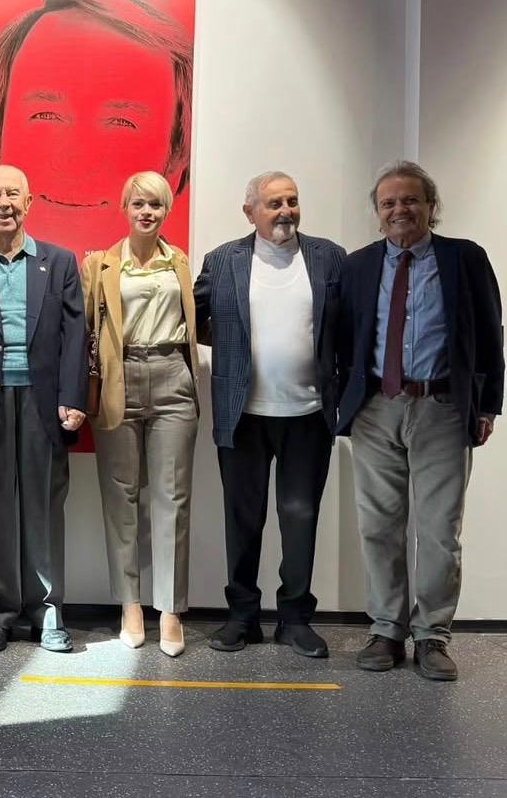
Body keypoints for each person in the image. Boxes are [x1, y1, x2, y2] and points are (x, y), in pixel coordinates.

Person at [337, 161, 503, 681]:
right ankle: (387, 629)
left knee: (439, 530)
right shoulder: (359, 265)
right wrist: (342, 402)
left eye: (410, 200)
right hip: (376, 409)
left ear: (431, 206)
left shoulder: (464, 258)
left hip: (442, 409)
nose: (399, 210)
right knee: (378, 526)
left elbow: (490, 332)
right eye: (388, 203)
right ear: (377, 212)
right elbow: (339, 338)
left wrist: (487, 405)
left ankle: (432, 634)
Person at [193, 172, 345, 658]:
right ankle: (242, 617)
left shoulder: (329, 258)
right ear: (250, 212)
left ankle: (295, 619)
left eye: (292, 201)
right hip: (243, 415)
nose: (285, 211)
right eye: (274, 203)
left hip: (309, 414)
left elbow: (346, 327)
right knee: (243, 520)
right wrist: (234, 350)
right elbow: (192, 318)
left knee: (300, 519)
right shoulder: (222, 260)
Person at [0, 165, 88, 653]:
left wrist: (73, 397)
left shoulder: (59, 261)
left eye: (12, 194)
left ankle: (48, 612)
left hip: (43, 404)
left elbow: (75, 334)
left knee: (44, 509)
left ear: (29, 203)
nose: (3, 203)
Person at [0, 0, 192, 257]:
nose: (77, 157)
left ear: (176, 154)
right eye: (45, 116)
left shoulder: (177, 273)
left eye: (121, 122)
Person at [80, 172, 199, 657]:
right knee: (121, 497)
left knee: (173, 497)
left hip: (173, 376)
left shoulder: (180, 263)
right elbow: (86, 331)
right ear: (125, 208)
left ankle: (169, 609)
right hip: (119, 377)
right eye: (139, 204)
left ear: (166, 210)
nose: (147, 212)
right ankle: (130, 605)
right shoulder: (100, 265)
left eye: (156, 204)